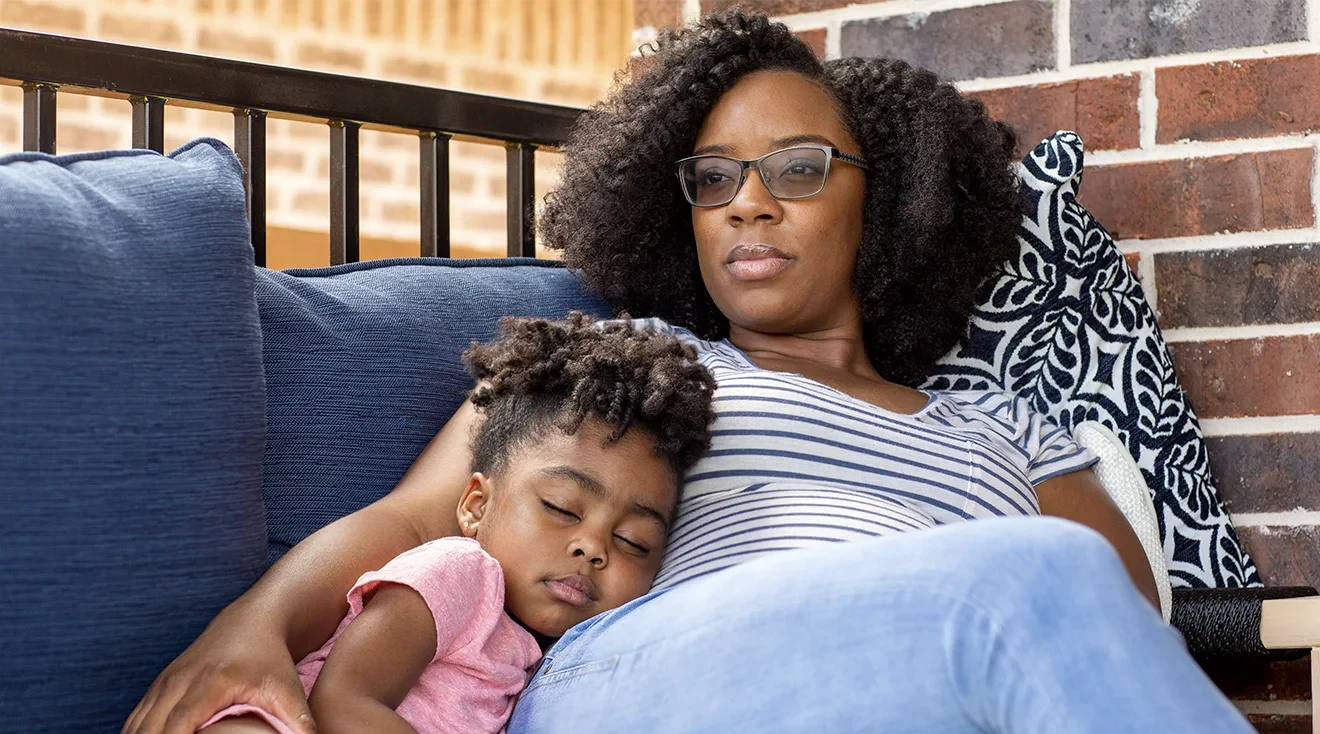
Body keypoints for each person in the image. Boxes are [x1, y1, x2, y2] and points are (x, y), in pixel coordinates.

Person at [125, 9, 1254, 734]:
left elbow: (1121, 623)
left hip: (913, 689)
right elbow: (414, 517)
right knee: (1036, 578)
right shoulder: (635, 373)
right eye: (715, 178)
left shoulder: (1004, 425)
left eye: (798, 169)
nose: (750, 201)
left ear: (889, 202)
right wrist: (255, 629)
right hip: (649, 684)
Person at [187, 315, 715, 734]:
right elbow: (345, 702)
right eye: (561, 507)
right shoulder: (460, 573)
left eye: (633, 542)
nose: (593, 547)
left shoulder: (534, 654)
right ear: (476, 507)